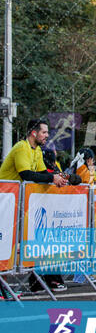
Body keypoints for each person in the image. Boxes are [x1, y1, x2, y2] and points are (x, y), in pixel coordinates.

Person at [0, 119, 68, 294]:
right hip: (5, 200)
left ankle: (4, 287)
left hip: (15, 202)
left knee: (10, 244)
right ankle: (3, 287)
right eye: (44, 132)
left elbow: (43, 173)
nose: (47, 136)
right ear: (34, 133)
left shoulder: (36, 150)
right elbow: (27, 174)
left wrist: (58, 178)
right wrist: (51, 178)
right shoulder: (22, 147)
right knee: (5, 243)